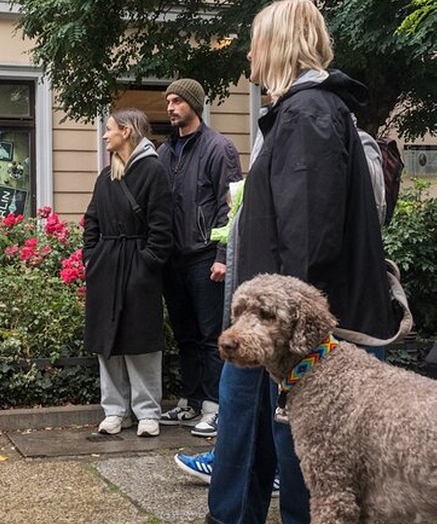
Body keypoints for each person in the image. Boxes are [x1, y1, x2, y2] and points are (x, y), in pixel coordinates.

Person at [203, 1, 397, 523]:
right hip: (277, 326)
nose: (248, 54)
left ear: (279, 45)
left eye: (254, 42)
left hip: (292, 335)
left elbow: (308, 241)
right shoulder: (304, 111)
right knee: (257, 446)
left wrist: (276, 335)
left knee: (301, 465)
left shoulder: (308, 114)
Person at [157, 78, 242, 438]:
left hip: (205, 256)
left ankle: (214, 406)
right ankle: (189, 401)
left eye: (177, 101)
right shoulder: (165, 151)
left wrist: (223, 255)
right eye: (168, 101)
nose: (170, 107)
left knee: (211, 336)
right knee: (185, 335)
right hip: (172, 259)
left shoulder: (219, 148)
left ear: (195, 104)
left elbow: (231, 206)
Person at [83, 108, 173, 438]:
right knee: (107, 341)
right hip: (106, 266)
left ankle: (147, 412)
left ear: (127, 131)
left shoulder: (153, 171)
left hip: (137, 265)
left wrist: (145, 264)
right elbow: (92, 219)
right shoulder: (106, 176)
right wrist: (91, 258)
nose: (104, 135)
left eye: (109, 129)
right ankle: (114, 410)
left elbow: (162, 228)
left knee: (141, 341)